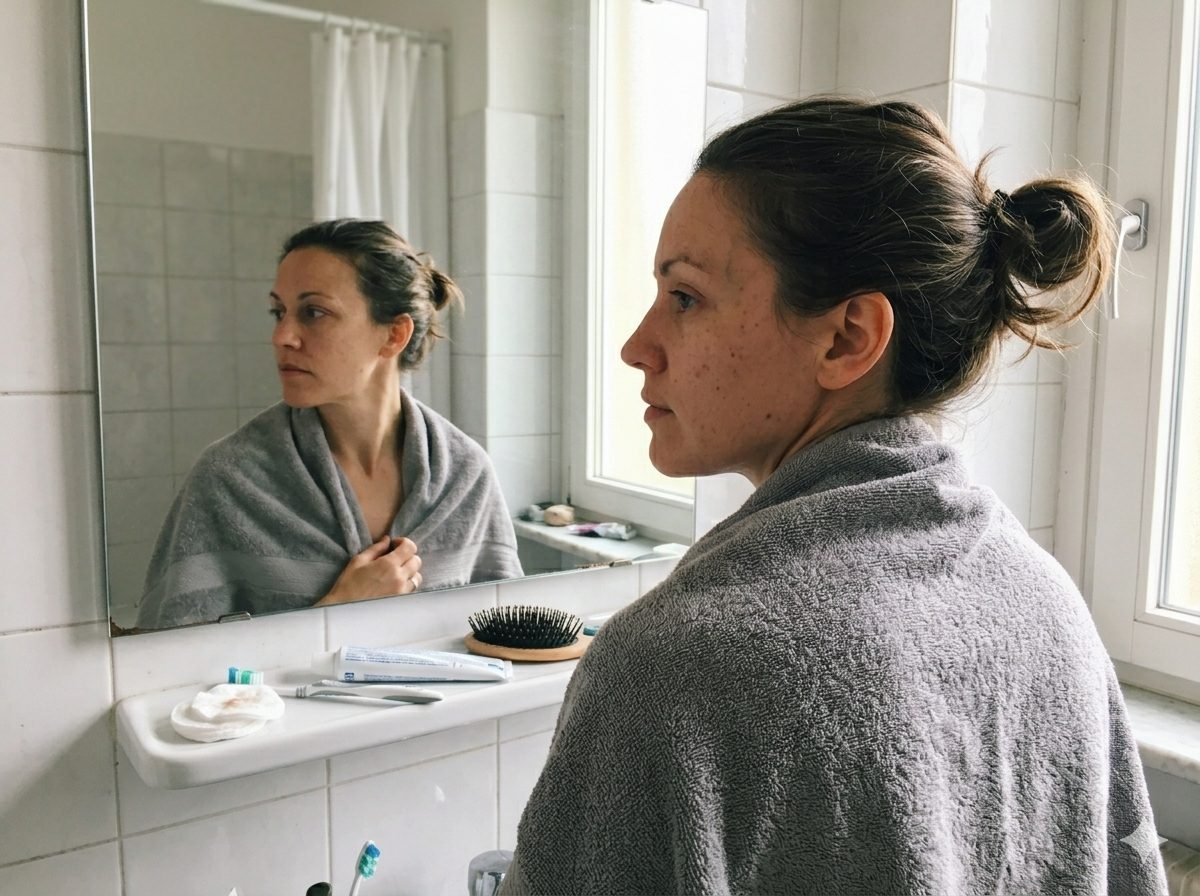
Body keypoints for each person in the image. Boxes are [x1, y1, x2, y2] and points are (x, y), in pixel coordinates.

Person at [500, 97, 1168, 895]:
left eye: (685, 298)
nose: (637, 345)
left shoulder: (676, 670)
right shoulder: (1044, 601)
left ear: (849, 337)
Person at [136, 219, 522, 629]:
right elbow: (173, 663)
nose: (282, 335)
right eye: (279, 312)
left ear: (394, 334)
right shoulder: (230, 479)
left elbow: (505, 639)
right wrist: (337, 608)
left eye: (314, 312)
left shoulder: (465, 475)